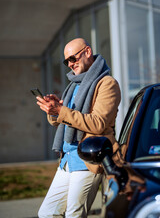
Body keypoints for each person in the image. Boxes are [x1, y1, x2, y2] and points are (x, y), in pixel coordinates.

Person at [36, 38, 121, 218]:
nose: (70, 64)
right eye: (67, 61)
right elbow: (60, 121)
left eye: (73, 58)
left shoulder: (107, 84)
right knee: (47, 213)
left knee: (74, 214)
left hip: (88, 159)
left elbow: (98, 123)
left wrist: (62, 110)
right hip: (67, 159)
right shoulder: (74, 85)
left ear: (88, 52)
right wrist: (53, 109)